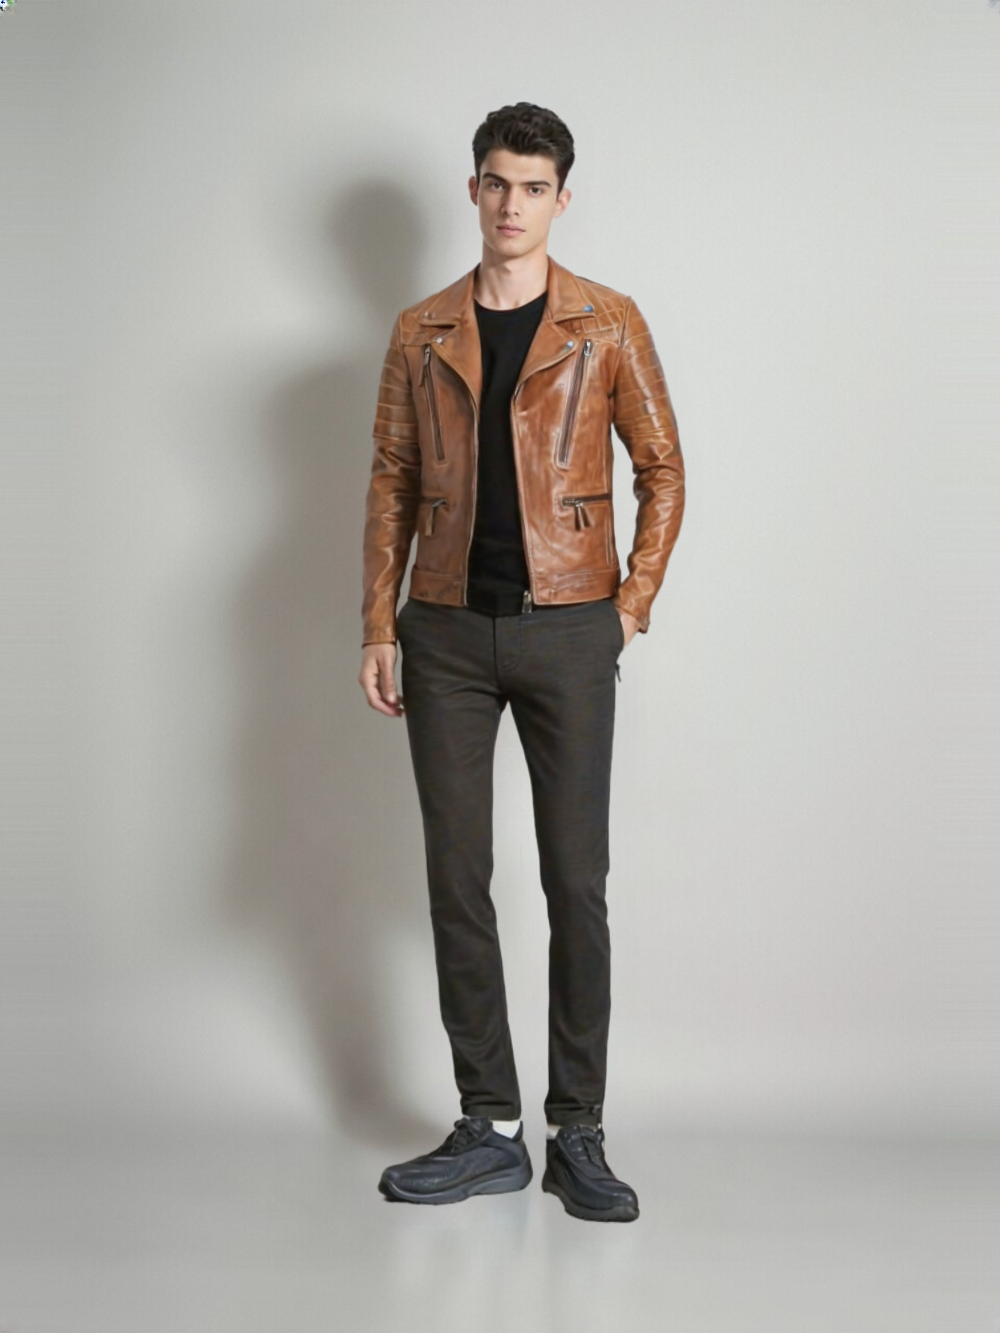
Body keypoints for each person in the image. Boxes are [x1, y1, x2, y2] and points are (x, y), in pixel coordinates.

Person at [358, 102, 685, 1223]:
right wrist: (378, 622)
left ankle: (576, 1128)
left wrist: (627, 608)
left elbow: (664, 469)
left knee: (573, 881)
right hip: (444, 630)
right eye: (497, 182)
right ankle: (488, 1126)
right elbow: (391, 480)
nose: (512, 204)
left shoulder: (607, 321)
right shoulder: (421, 330)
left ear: (561, 198)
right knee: (456, 877)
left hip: (570, 627)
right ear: (473, 190)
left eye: (533, 187)